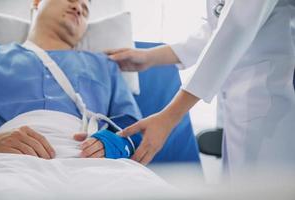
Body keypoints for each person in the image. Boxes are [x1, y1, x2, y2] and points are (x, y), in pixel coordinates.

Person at [107, 0, 295, 176]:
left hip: (269, 103)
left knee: (265, 187)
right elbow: (216, 30)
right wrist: (150, 57)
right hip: (240, 106)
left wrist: (169, 117)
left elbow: (236, 27)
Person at [0, 0, 142, 159]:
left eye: (85, 11)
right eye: (71, 0)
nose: (78, 8)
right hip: (8, 157)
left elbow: (133, 125)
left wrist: (114, 144)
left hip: (88, 157)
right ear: (37, 2)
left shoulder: (105, 65)